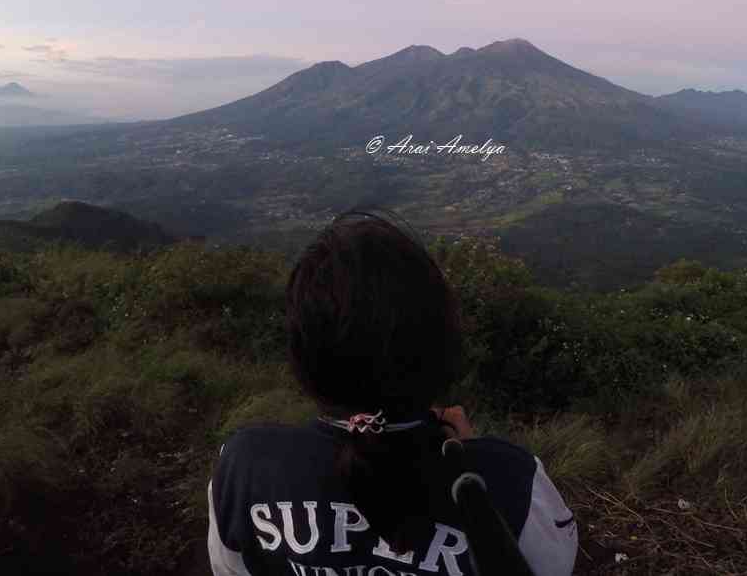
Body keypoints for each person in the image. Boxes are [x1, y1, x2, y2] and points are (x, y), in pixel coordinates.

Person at [206, 209, 578, 576]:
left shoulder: (245, 467)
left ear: (303, 360)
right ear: (441, 351)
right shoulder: (514, 484)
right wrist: (472, 459)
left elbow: (232, 569)